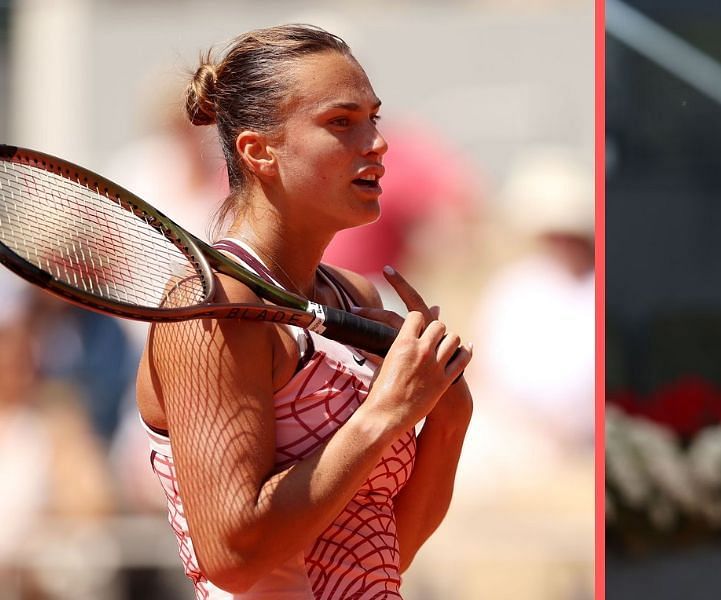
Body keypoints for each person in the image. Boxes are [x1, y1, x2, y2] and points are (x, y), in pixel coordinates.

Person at [135, 24, 474, 599]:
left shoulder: (355, 297)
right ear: (258, 151)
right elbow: (234, 556)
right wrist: (387, 413)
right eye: (341, 122)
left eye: (374, 118)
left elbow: (388, 550)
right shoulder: (217, 308)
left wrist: (447, 410)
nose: (376, 142)